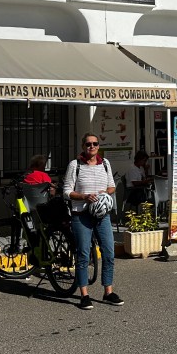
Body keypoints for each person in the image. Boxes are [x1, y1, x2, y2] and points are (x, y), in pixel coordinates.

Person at [62, 132, 121, 311]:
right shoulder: (75, 165)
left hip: (102, 214)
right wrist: (84, 197)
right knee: (83, 255)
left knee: (109, 253)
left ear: (98, 146)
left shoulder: (105, 163)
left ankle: (108, 292)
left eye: (95, 144)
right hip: (81, 214)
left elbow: (112, 186)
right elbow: (66, 191)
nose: (92, 147)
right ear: (83, 146)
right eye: (88, 144)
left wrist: (105, 194)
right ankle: (84, 295)